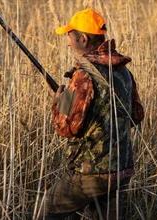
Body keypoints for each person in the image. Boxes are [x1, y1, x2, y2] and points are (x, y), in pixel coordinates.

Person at [38, 8, 144, 220]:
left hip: (91, 174)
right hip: (121, 170)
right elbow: (136, 115)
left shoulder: (83, 76)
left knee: (48, 210)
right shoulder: (123, 71)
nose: (68, 42)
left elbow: (67, 128)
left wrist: (59, 104)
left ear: (83, 39)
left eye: (70, 36)